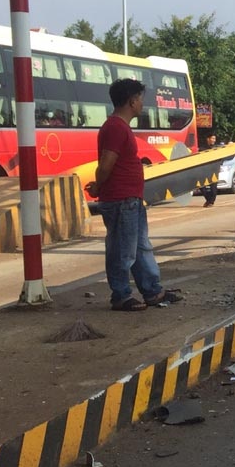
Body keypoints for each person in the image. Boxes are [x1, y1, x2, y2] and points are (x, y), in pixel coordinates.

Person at [95, 79, 184, 311]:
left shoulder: (120, 126)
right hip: (120, 199)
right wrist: (98, 185)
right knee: (122, 250)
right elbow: (106, 164)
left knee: (140, 247)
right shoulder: (115, 127)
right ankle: (121, 295)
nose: (142, 103)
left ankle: (153, 291)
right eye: (140, 98)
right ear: (132, 101)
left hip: (130, 198)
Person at [202, 133, 220, 207]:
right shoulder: (202, 148)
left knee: (213, 187)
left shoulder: (216, 148)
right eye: (212, 138)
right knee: (201, 186)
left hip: (214, 170)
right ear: (208, 139)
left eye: (214, 139)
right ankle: (209, 200)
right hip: (204, 170)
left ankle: (211, 202)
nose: (213, 140)